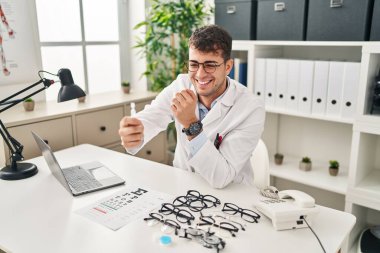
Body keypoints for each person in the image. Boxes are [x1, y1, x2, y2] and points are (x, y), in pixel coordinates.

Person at [119, 25, 265, 189]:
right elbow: (152, 117)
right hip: (184, 187)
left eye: (210, 65)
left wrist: (191, 124)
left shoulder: (251, 108)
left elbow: (221, 177)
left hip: (231, 197)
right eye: (194, 64)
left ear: (228, 67)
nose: (200, 74)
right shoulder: (181, 85)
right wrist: (134, 132)